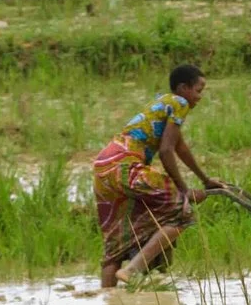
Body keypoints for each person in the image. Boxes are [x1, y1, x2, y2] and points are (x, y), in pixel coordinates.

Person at [92, 63, 218, 288]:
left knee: (116, 239)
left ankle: (108, 302)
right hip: (126, 163)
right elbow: (166, 150)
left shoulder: (162, 103)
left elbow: (180, 148)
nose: (199, 97)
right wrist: (185, 190)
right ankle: (132, 270)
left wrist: (205, 180)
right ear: (183, 88)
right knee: (182, 211)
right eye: (198, 90)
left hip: (104, 166)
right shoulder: (179, 103)